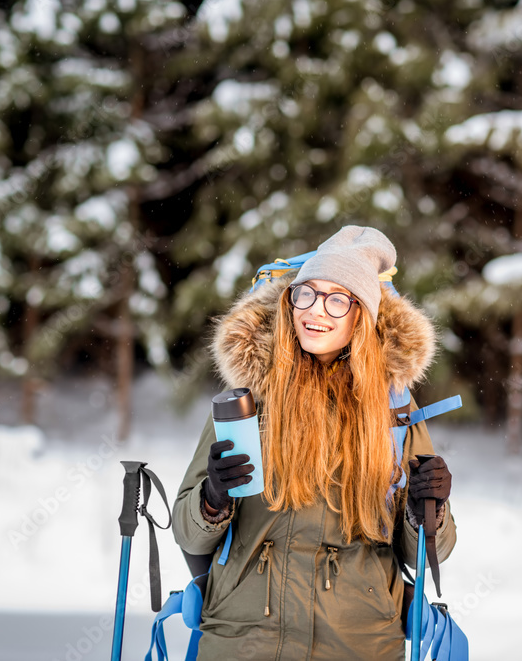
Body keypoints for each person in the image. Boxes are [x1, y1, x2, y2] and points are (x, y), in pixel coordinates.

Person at [173, 225, 457, 660]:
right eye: (306, 293)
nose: (315, 310)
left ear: (362, 314)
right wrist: (212, 497)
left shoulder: (395, 411)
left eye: (337, 299)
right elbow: (188, 533)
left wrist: (427, 510)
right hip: (245, 641)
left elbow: (425, 553)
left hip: (359, 641)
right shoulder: (252, 402)